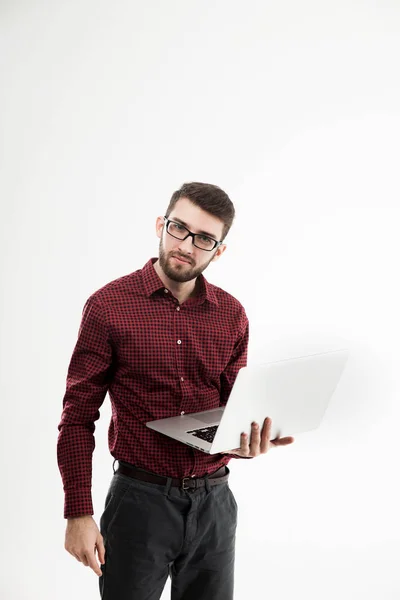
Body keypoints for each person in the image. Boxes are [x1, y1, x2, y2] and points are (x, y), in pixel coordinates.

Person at [57, 181, 295, 600]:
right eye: (179, 228)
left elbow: (230, 411)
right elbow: (77, 416)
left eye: (204, 238)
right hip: (138, 503)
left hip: (216, 503)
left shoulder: (232, 315)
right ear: (159, 226)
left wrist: (245, 443)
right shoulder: (108, 306)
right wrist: (78, 512)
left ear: (218, 250)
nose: (186, 245)